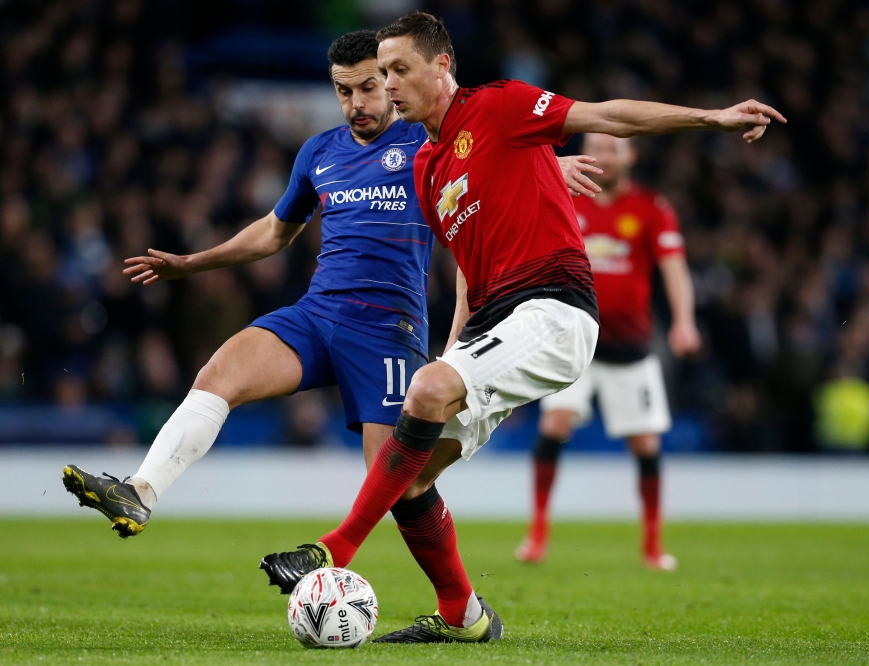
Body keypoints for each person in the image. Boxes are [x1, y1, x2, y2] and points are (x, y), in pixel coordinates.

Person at [259, 11, 784, 644]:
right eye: (383, 73)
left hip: (555, 310)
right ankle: (464, 615)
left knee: (422, 402)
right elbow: (467, 274)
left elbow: (607, 114)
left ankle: (333, 550)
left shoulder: (502, 106)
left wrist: (712, 118)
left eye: (400, 70)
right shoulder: (428, 168)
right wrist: (452, 354)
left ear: (441, 65)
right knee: (410, 477)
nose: (389, 84)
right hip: (494, 324)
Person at [60, 30, 603, 538]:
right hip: (317, 315)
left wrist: (550, 166)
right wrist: (193, 262)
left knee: (395, 488)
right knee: (220, 371)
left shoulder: (426, 142)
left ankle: (461, 606)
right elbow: (275, 233)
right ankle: (140, 491)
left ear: (392, 83)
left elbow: (490, 159)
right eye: (344, 91)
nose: (357, 104)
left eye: (369, 87)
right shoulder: (319, 153)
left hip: (388, 331)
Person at [516, 133, 701, 571]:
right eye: (596, 146)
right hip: (572, 344)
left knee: (646, 445)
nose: (603, 155)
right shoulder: (562, 196)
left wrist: (684, 320)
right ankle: (538, 532)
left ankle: (653, 545)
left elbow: (673, 268)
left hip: (630, 349)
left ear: (631, 155)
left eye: (614, 148)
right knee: (555, 425)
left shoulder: (651, 208)